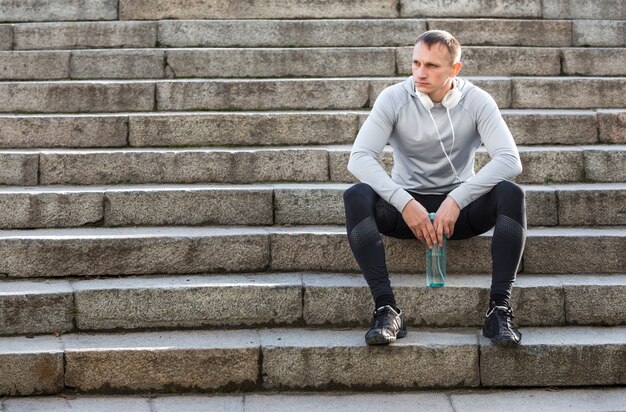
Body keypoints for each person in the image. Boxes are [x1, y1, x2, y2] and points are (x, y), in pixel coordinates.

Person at [344, 30, 526, 346]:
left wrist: (457, 199)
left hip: (460, 211)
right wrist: (403, 202)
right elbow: (359, 159)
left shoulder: (477, 100)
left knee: (511, 192)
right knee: (356, 195)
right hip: (405, 212)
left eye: (431, 65)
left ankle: (498, 309)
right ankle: (386, 307)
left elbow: (510, 160)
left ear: (454, 70)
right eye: (415, 63)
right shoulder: (394, 98)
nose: (420, 73)